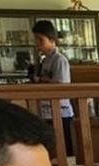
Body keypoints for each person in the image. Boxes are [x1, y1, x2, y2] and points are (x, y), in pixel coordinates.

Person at [31, 18, 74, 154]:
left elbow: (61, 84)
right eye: (36, 40)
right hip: (46, 111)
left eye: (40, 39)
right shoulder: (45, 60)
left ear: (51, 39)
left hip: (60, 111)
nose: (37, 44)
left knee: (64, 149)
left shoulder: (59, 60)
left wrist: (41, 80)